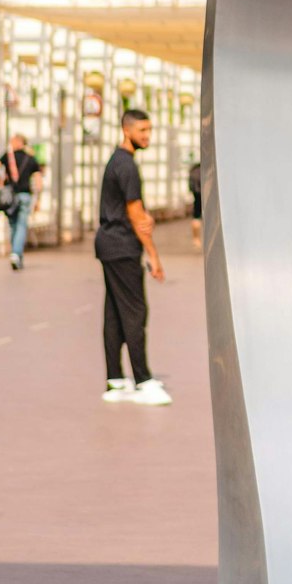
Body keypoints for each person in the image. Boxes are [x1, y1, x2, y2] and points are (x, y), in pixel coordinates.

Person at [98, 105, 169, 406]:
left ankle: (115, 381)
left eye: (150, 130)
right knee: (135, 312)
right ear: (126, 130)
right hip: (123, 247)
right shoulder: (127, 165)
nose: (148, 135)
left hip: (109, 244)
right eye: (142, 130)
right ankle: (143, 380)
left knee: (115, 312)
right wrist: (154, 255)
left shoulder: (117, 161)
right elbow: (135, 213)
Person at [0, 130, 44, 272]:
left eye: (12, 141)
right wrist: (38, 200)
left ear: (18, 142)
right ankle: (16, 254)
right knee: (21, 225)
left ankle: (15, 252)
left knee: (13, 225)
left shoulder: (8, 156)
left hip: (10, 196)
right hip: (25, 195)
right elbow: (38, 181)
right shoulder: (31, 159)